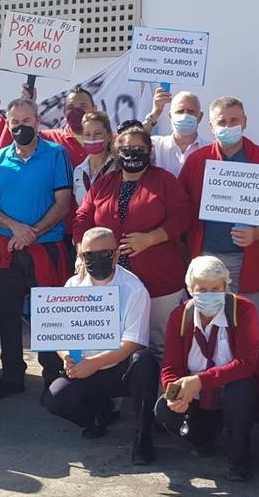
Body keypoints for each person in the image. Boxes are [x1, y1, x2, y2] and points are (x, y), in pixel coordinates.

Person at [178, 96, 259, 375]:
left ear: (244, 122)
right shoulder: (197, 161)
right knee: (205, 327)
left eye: (233, 121)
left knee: (255, 329)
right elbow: (182, 209)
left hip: (247, 261)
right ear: (211, 126)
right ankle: (206, 390)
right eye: (221, 122)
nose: (228, 126)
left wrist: (258, 232)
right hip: (207, 260)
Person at [0, 97, 74, 399]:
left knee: (47, 314)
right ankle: (11, 376)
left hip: (44, 248)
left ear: (38, 121)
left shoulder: (56, 155)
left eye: (27, 121)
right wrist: (16, 228)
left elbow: (63, 203)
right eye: (15, 123)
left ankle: (51, 375)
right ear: (8, 125)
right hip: (6, 248)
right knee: (6, 313)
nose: (22, 127)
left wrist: (32, 233)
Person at [43, 227, 159, 465]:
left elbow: (133, 342)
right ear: (81, 256)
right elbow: (59, 336)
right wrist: (67, 357)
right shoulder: (73, 285)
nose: (96, 260)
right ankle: (96, 417)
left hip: (120, 369)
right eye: (89, 255)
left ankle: (143, 437)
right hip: (84, 366)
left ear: (116, 255)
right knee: (55, 397)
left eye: (104, 254)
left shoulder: (134, 288)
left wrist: (95, 363)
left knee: (144, 362)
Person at [73, 123, 191, 354]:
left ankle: (159, 387)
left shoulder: (165, 181)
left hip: (159, 278)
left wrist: (150, 238)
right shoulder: (105, 183)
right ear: (117, 152)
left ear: (150, 151)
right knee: (112, 339)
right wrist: (82, 253)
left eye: (139, 148)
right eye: (126, 148)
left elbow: (182, 216)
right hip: (109, 277)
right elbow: (82, 218)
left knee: (161, 343)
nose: (132, 153)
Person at [155, 256, 259, 482]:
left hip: (232, 389)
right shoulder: (180, 316)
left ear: (226, 287)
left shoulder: (243, 310)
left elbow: (245, 364)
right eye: (202, 289)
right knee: (163, 409)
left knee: (240, 392)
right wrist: (173, 392)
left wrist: (200, 380)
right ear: (190, 290)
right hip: (197, 396)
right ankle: (202, 439)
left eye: (216, 288)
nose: (209, 294)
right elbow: (171, 366)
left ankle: (240, 455)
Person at [141, 89, 205, 177]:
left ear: (200, 117)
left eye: (190, 112)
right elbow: (133, 140)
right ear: (170, 116)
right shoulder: (156, 145)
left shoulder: (209, 149)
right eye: (180, 111)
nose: (184, 116)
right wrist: (155, 113)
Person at [40, 86, 96, 167]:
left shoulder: (109, 141)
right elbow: (19, 139)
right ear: (64, 112)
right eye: (71, 107)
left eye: (83, 106)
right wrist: (26, 103)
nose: (76, 111)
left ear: (94, 109)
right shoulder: (49, 138)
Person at [69, 111, 114, 206]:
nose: (92, 139)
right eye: (87, 134)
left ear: (109, 137)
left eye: (97, 133)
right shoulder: (78, 171)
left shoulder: (119, 167)